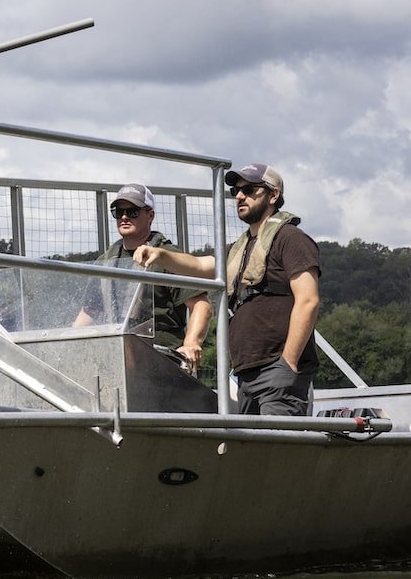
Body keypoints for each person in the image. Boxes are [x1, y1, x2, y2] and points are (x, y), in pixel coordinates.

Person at [134, 164, 320, 416]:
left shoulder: (291, 239)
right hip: (246, 374)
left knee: (277, 450)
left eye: (250, 189)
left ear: (273, 195)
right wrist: (159, 254)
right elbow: (200, 265)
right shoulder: (238, 249)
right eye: (236, 191)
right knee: (250, 453)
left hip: (278, 372)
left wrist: (288, 362)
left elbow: (308, 301)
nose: (240, 196)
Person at [73, 183, 211, 370]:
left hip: (160, 359)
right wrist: (68, 346)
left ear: (150, 215)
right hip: (117, 359)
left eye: (132, 212)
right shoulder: (106, 261)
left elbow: (201, 305)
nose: (124, 217)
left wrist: (190, 344)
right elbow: (89, 311)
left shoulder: (167, 257)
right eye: (118, 211)